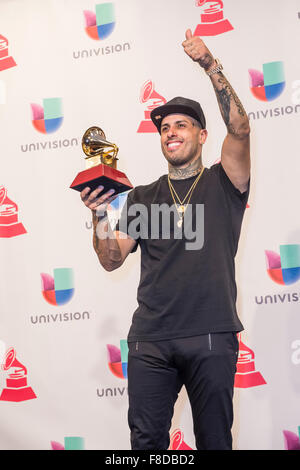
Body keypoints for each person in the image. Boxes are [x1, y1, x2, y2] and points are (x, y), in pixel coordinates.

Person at [80, 29, 250, 450]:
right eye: (164, 128)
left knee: (214, 441)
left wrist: (210, 65)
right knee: (146, 445)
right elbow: (111, 259)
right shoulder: (140, 196)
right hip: (150, 340)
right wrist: (100, 214)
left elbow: (241, 128)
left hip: (210, 334)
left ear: (202, 136)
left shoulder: (223, 180)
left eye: (182, 125)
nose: (170, 132)